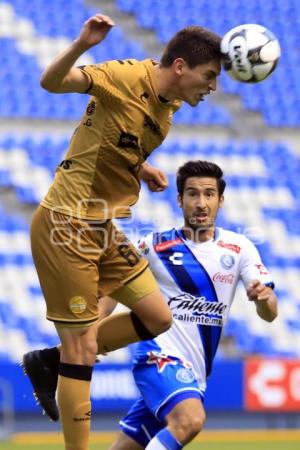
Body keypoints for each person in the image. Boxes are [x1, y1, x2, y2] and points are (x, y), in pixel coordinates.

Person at [22, 12, 222, 450]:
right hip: (65, 224)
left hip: (101, 227)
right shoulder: (125, 76)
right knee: (82, 350)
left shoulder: (167, 107)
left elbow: (115, 138)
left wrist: (142, 167)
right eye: (208, 76)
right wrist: (81, 45)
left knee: (157, 317)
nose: (213, 87)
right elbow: (50, 83)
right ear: (181, 67)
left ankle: (47, 362)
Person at [106, 159, 278, 449]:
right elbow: (113, 287)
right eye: (193, 194)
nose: (201, 202)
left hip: (194, 374)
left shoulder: (239, 248)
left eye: (209, 194)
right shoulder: (153, 245)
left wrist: (264, 298)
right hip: (158, 356)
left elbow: (270, 313)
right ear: (179, 199)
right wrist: (93, 335)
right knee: (190, 420)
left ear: (220, 201)